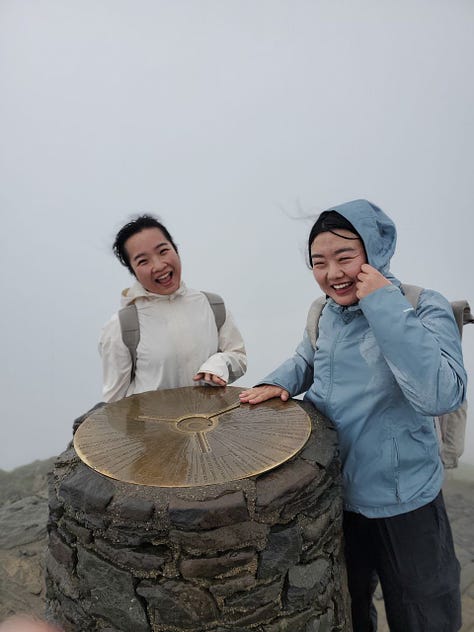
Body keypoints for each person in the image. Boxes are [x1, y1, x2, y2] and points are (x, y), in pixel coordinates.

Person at [239, 199, 466, 632]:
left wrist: (381, 301)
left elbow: (439, 393)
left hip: (406, 499)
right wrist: (275, 383)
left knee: (424, 611)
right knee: (348, 603)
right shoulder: (324, 313)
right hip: (338, 492)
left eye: (345, 256)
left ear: (374, 252)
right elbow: (305, 360)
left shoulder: (420, 305)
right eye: (319, 262)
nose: (333, 273)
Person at [99, 215, 247, 401]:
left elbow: (238, 356)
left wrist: (220, 363)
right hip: (152, 430)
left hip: (211, 426)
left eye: (163, 251)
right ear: (133, 271)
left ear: (175, 249)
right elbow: (114, 403)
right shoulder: (122, 326)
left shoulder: (212, 305)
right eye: (143, 261)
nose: (159, 265)